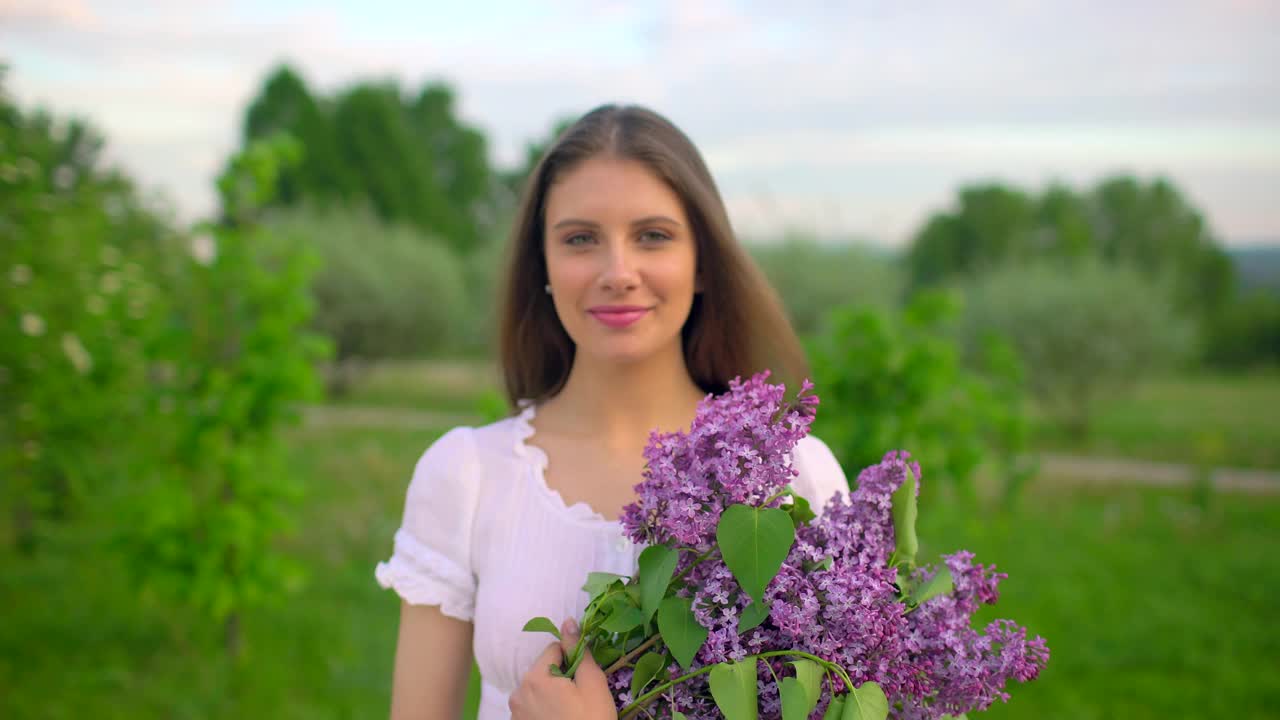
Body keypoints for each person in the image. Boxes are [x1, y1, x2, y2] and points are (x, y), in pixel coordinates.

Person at [374, 104, 850, 720]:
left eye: (653, 235)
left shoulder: (796, 475)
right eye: (580, 240)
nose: (617, 272)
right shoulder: (467, 475)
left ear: (702, 262)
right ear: (542, 266)